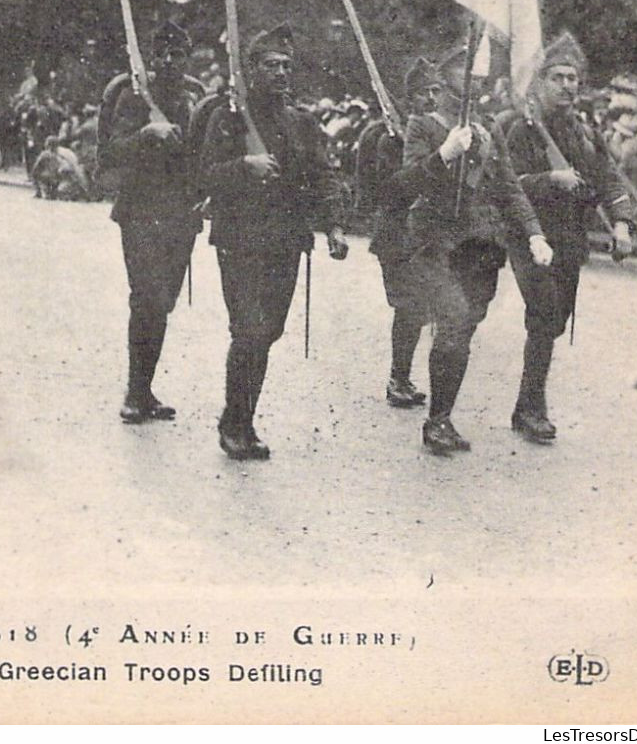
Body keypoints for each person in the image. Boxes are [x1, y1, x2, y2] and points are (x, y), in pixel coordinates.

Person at [391, 46, 551, 455]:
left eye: (479, 74)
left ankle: (442, 413)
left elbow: (508, 186)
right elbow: (408, 183)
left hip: (480, 247)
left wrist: (533, 233)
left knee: (462, 330)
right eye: (466, 71)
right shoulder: (423, 124)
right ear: (445, 77)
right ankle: (438, 421)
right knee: (454, 322)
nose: (476, 79)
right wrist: (444, 154)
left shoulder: (488, 128)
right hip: (437, 243)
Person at [200, 24, 349, 458]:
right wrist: (245, 165)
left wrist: (334, 226)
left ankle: (245, 420)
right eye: (271, 66)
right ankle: (234, 422)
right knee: (248, 330)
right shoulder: (226, 117)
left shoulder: (301, 121)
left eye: (286, 65)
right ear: (252, 70)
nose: (281, 73)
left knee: (268, 332)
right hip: (241, 239)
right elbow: (203, 176)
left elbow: (323, 175)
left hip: (286, 241)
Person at [496, 34, 636, 443]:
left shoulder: (585, 131)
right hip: (529, 235)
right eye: (558, 77)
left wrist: (623, 223)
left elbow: (607, 177)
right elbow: (507, 185)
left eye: (573, 78)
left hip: (570, 239)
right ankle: (532, 409)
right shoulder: (516, 127)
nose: (568, 86)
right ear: (539, 82)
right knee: (544, 313)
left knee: (554, 322)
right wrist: (549, 180)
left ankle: (526, 403)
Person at [98, 23, 201, 425]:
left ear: (187, 58)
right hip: (141, 210)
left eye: (178, 54)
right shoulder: (133, 96)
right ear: (153, 58)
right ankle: (135, 392)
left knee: (164, 303)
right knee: (147, 299)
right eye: (163, 54)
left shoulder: (196, 96)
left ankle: (145, 388)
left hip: (181, 213)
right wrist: (146, 132)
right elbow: (111, 151)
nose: (170, 61)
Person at [353, 57, 439, 409]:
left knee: (419, 309)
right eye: (424, 93)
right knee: (409, 306)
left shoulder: (435, 130)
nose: (432, 99)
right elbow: (382, 189)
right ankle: (397, 379)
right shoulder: (384, 135)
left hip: (426, 232)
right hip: (396, 231)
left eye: (436, 91)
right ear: (410, 96)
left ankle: (401, 377)